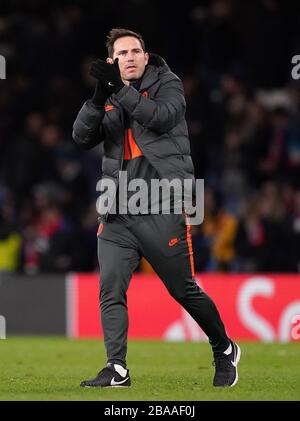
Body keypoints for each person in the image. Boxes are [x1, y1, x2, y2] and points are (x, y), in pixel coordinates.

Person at [72, 28, 241, 388]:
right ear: (112, 62)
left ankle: (223, 347)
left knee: (182, 289)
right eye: (122, 54)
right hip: (119, 207)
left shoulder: (168, 83)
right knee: (110, 288)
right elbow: (82, 137)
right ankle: (117, 368)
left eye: (136, 51)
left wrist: (119, 91)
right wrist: (98, 96)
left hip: (163, 203)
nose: (130, 57)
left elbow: (162, 117)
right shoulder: (110, 94)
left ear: (146, 57)